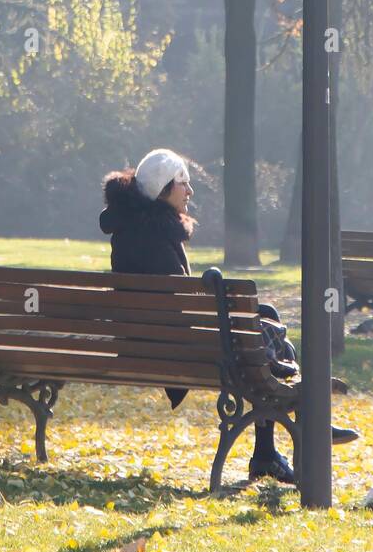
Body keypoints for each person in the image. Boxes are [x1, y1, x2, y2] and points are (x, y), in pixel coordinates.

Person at [100, 147, 359, 484]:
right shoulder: (154, 235)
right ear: (164, 188)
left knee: (265, 316)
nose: (190, 191)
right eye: (183, 183)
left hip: (148, 347)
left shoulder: (131, 228)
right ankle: (298, 429)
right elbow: (181, 311)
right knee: (262, 333)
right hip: (182, 352)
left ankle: (281, 442)